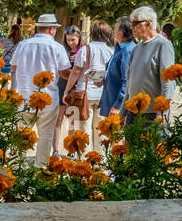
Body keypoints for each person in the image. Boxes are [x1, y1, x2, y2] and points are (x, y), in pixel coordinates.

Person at [9, 13, 70, 165]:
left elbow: (13, 66)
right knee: (46, 135)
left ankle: (16, 165)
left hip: (24, 95)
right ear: (51, 29)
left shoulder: (23, 45)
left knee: (22, 133)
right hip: (48, 97)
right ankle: (41, 166)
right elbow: (63, 73)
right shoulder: (57, 47)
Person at [124, 5, 176, 124]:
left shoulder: (163, 45)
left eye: (134, 24)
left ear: (147, 23)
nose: (131, 27)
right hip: (133, 114)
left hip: (152, 114)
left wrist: (162, 112)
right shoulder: (136, 49)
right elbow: (129, 85)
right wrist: (123, 112)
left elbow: (168, 82)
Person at [53, 25, 90, 151]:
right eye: (68, 40)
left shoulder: (84, 51)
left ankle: (71, 150)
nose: (70, 43)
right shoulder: (63, 50)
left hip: (75, 89)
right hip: (62, 86)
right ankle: (55, 150)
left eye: (73, 40)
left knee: (73, 121)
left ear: (79, 38)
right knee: (58, 118)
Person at [80, 21, 114, 153]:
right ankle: (101, 159)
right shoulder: (112, 50)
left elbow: (77, 70)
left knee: (85, 128)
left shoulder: (86, 49)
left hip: (87, 93)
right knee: (102, 129)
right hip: (105, 94)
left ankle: (86, 159)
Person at [99, 16, 134, 118]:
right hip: (111, 101)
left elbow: (126, 81)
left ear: (120, 33)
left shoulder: (127, 51)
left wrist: (118, 105)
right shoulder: (120, 48)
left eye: (115, 28)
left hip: (119, 108)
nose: (113, 31)